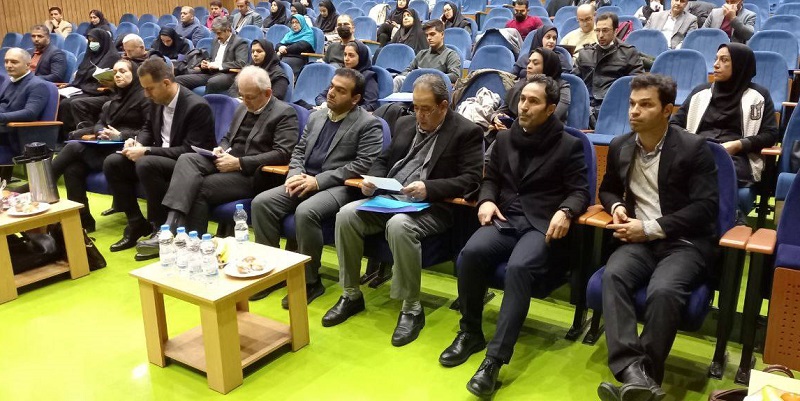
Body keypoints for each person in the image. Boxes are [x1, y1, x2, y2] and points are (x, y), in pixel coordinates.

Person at [445, 75, 589, 398]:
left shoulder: (569, 145)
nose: (524, 106)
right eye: (522, 99)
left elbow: (580, 191)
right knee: (470, 254)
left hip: (541, 224)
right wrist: (486, 200)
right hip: (506, 218)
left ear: (551, 108)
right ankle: (470, 332)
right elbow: (491, 179)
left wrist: (566, 211)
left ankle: (494, 361)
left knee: (519, 269)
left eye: (533, 101)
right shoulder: (505, 138)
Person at [322, 73, 483, 347]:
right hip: (392, 199)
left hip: (434, 206)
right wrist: (372, 180)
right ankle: (350, 293)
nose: (419, 115)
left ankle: (411, 309)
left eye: (426, 109)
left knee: (399, 225)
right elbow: (383, 158)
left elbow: (471, 179)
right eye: (415, 107)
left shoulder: (466, 132)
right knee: (346, 214)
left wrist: (429, 187)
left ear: (444, 106)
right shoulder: (405, 123)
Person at [595, 73, 718, 401]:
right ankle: (636, 375)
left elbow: (705, 208)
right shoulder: (621, 145)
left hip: (683, 242)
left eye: (645, 105)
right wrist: (617, 206)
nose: (634, 111)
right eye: (632, 104)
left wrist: (649, 228)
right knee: (613, 276)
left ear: (667, 110)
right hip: (638, 240)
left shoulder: (693, 148)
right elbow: (607, 189)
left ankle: (641, 379)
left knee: (663, 290)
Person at [249, 68, 383, 305]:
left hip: (340, 186)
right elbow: (299, 151)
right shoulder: (317, 116)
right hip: (304, 178)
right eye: (331, 86)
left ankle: (310, 281)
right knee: (261, 203)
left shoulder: (368, 124)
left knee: (306, 211)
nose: (331, 93)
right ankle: (274, 274)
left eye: (340, 91)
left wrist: (318, 181)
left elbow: (362, 164)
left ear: (355, 99)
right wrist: (294, 174)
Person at [135, 66, 299, 257]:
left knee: (199, 187)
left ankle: (193, 246)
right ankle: (171, 225)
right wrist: (221, 148)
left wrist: (239, 162)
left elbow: (283, 153)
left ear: (267, 93)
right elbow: (228, 137)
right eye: (242, 95)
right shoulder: (242, 107)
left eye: (250, 97)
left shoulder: (284, 113)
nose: (244, 101)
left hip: (253, 173)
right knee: (187, 158)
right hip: (227, 161)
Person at [102, 58, 216, 253]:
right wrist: (138, 142)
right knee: (113, 162)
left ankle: (160, 228)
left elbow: (190, 150)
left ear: (166, 83)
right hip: (159, 157)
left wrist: (147, 150)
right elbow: (148, 128)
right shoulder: (157, 100)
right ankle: (136, 223)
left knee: (146, 164)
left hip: (185, 164)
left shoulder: (197, 107)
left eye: (150, 89)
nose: (146, 94)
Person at [671, 44, 777, 217]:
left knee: (715, 168)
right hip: (698, 150)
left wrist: (738, 145)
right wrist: (692, 142)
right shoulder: (700, 92)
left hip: (736, 157)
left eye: (724, 60)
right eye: (716, 59)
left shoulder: (758, 96)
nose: (715, 64)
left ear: (740, 65)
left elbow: (770, 134)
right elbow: (674, 124)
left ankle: (719, 217)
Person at [51, 59, 151, 232]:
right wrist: (101, 132)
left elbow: (148, 130)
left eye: (123, 71)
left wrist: (120, 135)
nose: (117, 75)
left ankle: (43, 182)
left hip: (127, 150)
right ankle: (84, 221)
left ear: (134, 74)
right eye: (115, 72)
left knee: (74, 147)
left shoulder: (144, 98)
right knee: (72, 169)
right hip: (106, 147)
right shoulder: (115, 98)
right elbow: (99, 123)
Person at [572, 13, 643, 119]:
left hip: (614, 106)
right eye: (597, 30)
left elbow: (637, 84)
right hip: (585, 105)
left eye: (605, 30)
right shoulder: (585, 53)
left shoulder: (628, 53)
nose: (600, 35)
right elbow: (574, 82)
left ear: (615, 31)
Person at [57, 28, 120, 139]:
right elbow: (81, 75)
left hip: (102, 92)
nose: (92, 44)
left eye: (94, 41)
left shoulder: (112, 57)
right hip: (86, 89)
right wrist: (71, 85)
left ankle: (85, 134)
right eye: (90, 41)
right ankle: (66, 136)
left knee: (75, 103)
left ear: (103, 41)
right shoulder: (89, 55)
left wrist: (84, 86)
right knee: (63, 102)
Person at [492, 48, 571, 133]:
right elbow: (500, 111)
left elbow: (549, 118)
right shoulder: (520, 84)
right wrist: (496, 118)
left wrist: (512, 129)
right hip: (514, 132)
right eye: (529, 62)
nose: (529, 66)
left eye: (535, 63)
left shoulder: (562, 88)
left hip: (548, 134)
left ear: (548, 66)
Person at [0, 48, 51, 177]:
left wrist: (1, 117)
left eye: (14, 62)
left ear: (28, 65)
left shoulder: (37, 85)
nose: (8, 65)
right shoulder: (8, 81)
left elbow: (30, 113)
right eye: (6, 61)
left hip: (16, 135)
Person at [175, 16, 248, 94]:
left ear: (228, 30)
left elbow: (240, 63)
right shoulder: (216, 41)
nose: (217, 36)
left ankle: (207, 101)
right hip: (211, 73)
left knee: (212, 82)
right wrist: (206, 63)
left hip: (228, 75)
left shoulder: (240, 43)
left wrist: (219, 66)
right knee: (179, 79)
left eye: (219, 33)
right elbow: (212, 59)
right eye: (215, 33)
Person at [393, 19, 461, 91]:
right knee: (398, 79)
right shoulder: (421, 54)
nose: (429, 38)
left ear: (442, 34)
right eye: (427, 35)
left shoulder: (450, 54)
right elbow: (405, 71)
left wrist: (428, 78)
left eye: (432, 34)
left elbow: (455, 76)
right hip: (416, 87)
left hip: (436, 89)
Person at [316, 41, 379, 111]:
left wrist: (344, 110)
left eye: (351, 55)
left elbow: (371, 105)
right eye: (345, 55)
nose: (346, 59)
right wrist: (324, 104)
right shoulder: (341, 74)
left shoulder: (368, 76)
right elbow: (321, 96)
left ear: (361, 57)